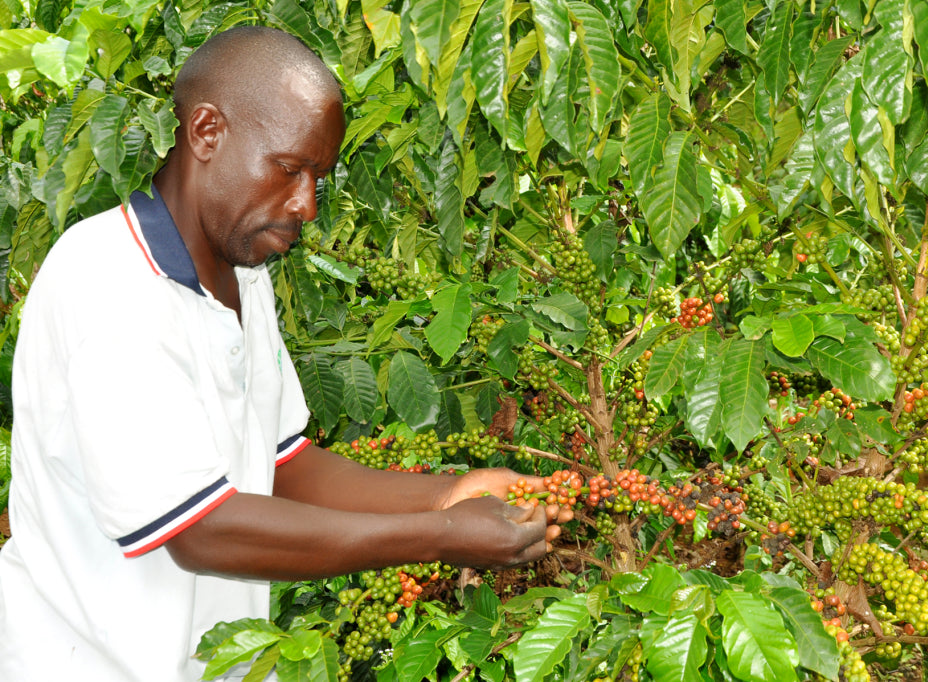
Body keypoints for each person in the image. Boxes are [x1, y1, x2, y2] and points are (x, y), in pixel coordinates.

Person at [0, 26, 565, 681]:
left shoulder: (243, 272)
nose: (307, 205)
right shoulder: (111, 284)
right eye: (289, 169)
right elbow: (201, 530)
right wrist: (439, 536)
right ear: (207, 132)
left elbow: (283, 465)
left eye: (318, 176)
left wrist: (449, 495)